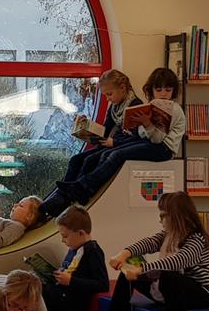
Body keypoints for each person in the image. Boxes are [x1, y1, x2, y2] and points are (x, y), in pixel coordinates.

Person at [44, 67, 186, 211]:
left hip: (163, 148)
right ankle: (66, 195)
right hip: (147, 143)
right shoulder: (136, 107)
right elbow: (115, 130)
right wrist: (87, 127)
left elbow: (154, 139)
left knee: (112, 155)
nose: (163, 94)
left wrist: (145, 124)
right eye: (159, 90)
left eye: (168, 90)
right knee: (81, 159)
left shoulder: (170, 109)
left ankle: (80, 190)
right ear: (152, 90)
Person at [84, 191, 209, 311]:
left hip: (201, 293)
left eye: (163, 215)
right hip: (171, 290)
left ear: (177, 216)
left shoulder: (196, 239)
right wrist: (123, 255)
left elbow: (178, 261)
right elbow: (148, 243)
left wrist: (141, 268)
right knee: (127, 274)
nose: (160, 220)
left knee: (168, 275)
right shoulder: (168, 234)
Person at [41, 69, 143, 218]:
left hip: (120, 145)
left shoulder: (136, 105)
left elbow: (137, 137)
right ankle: (62, 196)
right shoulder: (115, 106)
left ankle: (72, 196)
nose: (108, 99)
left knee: (89, 160)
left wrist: (113, 141)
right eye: (105, 95)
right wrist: (88, 128)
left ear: (122, 89)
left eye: (109, 94)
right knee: (76, 159)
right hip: (110, 142)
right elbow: (106, 129)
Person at [41, 205, 109, 311]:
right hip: (61, 295)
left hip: (72, 303)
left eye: (65, 236)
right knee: (32, 283)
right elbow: (68, 270)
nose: (63, 240)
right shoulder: (73, 249)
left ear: (81, 233)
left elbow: (102, 285)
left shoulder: (93, 251)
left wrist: (71, 281)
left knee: (37, 292)